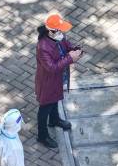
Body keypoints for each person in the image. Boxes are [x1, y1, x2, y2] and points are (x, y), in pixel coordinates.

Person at [35, 13, 82, 148]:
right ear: (51, 31)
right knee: (45, 108)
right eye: (59, 29)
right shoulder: (43, 47)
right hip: (48, 81)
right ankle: (42, 136)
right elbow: (51, 67)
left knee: (54, 99)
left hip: (57, 78)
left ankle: (54, 119)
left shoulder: (59, 36)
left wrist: (75, 50)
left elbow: (67, 46)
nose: (62, 32)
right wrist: (70, 58)